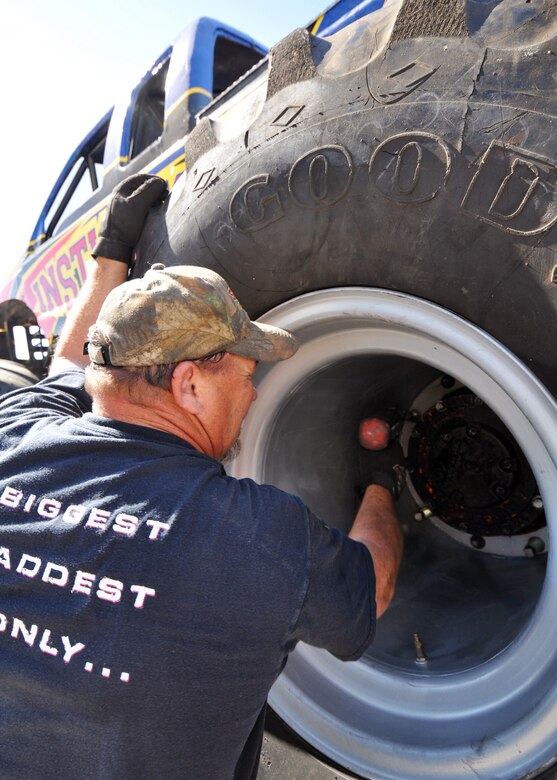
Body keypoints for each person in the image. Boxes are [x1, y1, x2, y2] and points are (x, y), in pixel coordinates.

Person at [0, 174, 403, 779]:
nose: (252, 392)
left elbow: (68, 365)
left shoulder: (16, 437)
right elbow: (370, 587)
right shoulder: (256, 540)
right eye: (245, 374)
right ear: (188, 384)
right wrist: (382, 483)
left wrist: (109, 255)